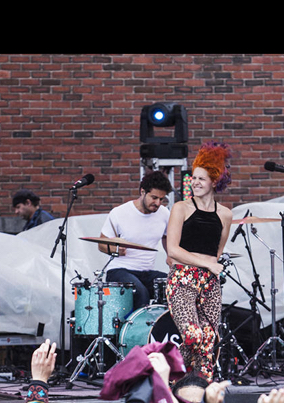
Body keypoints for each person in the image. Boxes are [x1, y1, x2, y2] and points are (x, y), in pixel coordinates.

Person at [165, 141, 234, 382]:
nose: (194, 183)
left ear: (214, 182)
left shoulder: (225, 214)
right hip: (183, 279)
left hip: (209, 283)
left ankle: (201, 393)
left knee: (208, 340)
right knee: (193, 335)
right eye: (193, 178)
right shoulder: (181, 208)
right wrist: (206, 264)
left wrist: (210, 267)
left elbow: (217, 251)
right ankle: (171, 378)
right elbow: (172, 250)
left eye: (201, 179)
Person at [97, 170, 174, 310]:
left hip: (146, 272)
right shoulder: (119, 213)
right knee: (140, 293)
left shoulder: (164, 214)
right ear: (142, 192)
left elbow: (166, 236)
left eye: (161, 199)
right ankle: (136, 331)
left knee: (176, 285)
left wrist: (170, 255)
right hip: (119, 271)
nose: (157, 203)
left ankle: (167, 330)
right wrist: (115, 249)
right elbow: (101, 244)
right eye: (154, 197)